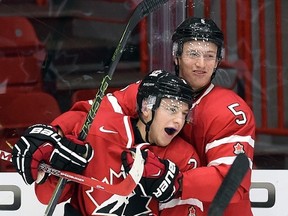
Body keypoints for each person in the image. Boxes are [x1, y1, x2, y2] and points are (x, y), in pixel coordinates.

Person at [66, 17, 255, 215]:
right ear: (176, 55)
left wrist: (177, 181)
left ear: (218, 61)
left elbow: (234, 181)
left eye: (209, 56)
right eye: (193, 53)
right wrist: (57, 132)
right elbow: (91, 114)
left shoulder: (228, 110)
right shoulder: (154, 91)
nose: (201, 64)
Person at [12, 70, 201, 215]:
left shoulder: (184, 158)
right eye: (172, 109)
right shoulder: (97, 130)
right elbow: (46, 197)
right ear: (146, 107)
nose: (178, 120)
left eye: (184, 113)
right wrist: (64, 167)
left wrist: (173, 189)